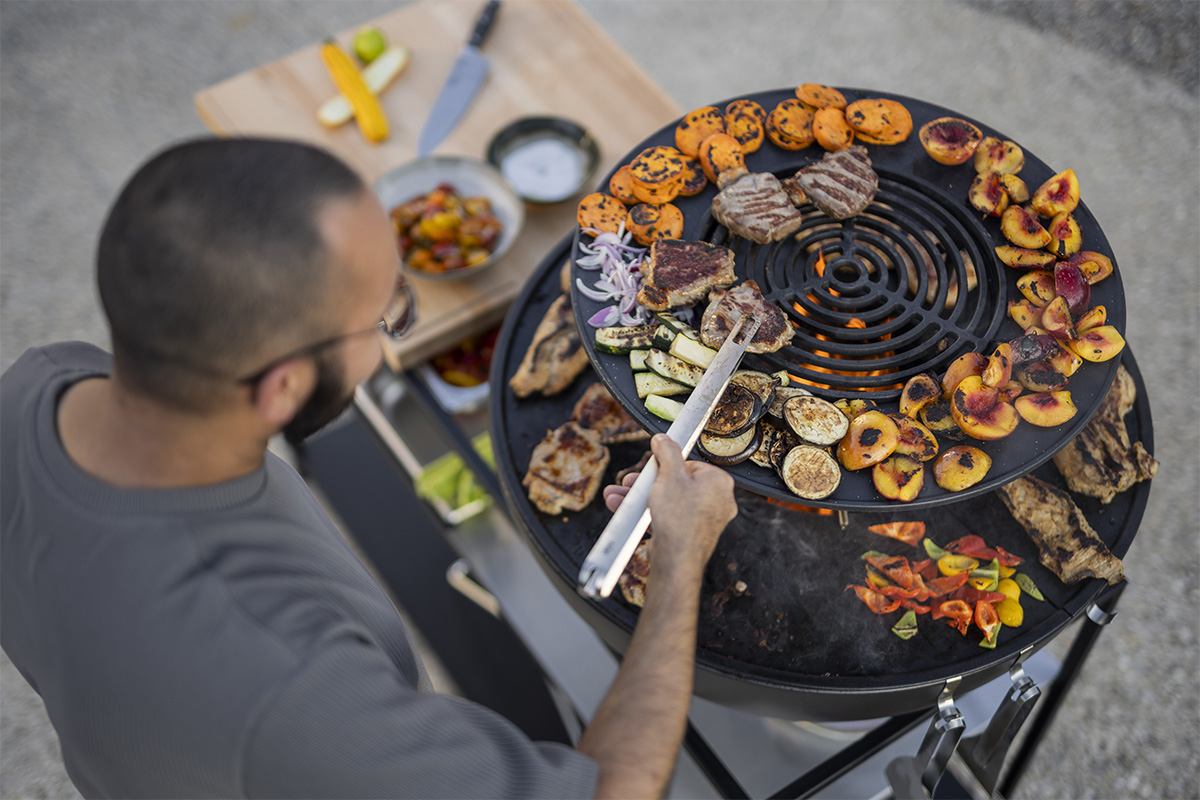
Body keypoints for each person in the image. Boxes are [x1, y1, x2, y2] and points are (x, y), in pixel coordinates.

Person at [0, 137, 739, 799]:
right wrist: (679, 555)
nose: (393, 331)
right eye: (386, 314)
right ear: (282, 385)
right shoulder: (292, 688)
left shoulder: (39, 383)